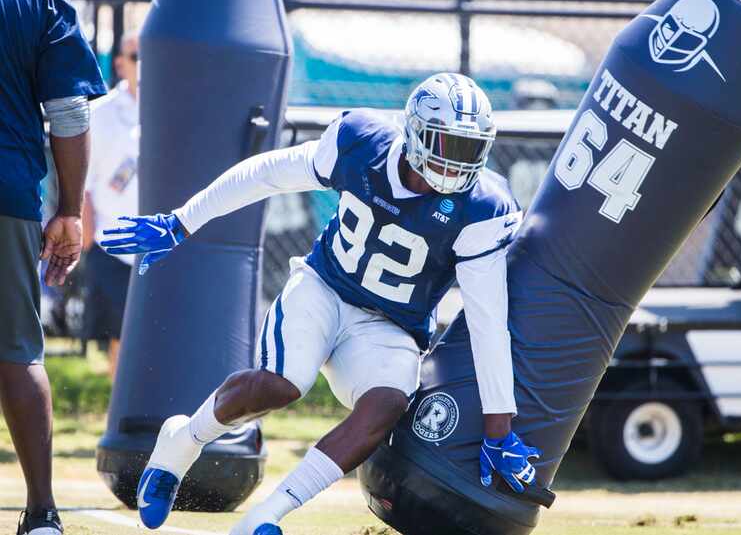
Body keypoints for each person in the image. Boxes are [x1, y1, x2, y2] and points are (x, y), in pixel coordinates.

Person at [102, 73, 540, 533]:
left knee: (386, 403)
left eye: (468, 149)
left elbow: (490, 322)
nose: (455, 163)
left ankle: (264, 517)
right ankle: (182, 441)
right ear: (414, 132)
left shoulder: (484, 207)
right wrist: (181, 222)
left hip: (391, 325)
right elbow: (267, 173)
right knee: (281, 384)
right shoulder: (363, 143)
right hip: (324, 287)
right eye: (445, 144)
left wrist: (499, 429)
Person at [0, 0, 107, 534]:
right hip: (7, 192)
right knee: (16, 354)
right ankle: (42, 513)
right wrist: (69, 209)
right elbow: (68, 109)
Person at [81, 32, 140, 379]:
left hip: (156, 242)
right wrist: (86, 238)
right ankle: (120, 416)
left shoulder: (169, 109)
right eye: (135, 57)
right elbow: (84, 183)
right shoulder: (102, 114)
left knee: (154, 332)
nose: (142, 65)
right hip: (112, 241)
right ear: (119, 63)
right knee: (120, 335)